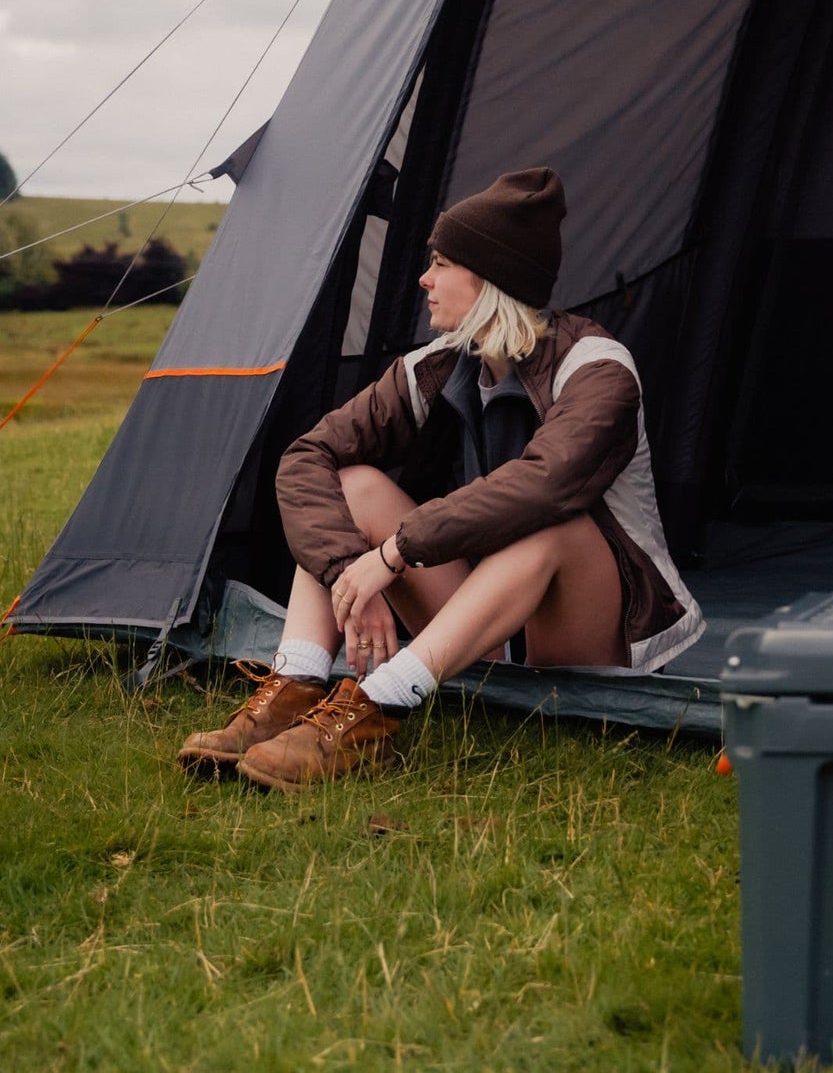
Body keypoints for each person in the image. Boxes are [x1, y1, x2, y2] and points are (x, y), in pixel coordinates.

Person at [177, 166, 704, 790]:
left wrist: (393, 554)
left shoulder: (598, 368)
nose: (425, 278)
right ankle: (295, 685)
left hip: (589, 629)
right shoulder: (439, 363)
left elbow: (544, 485)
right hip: (485, 618)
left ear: (493, 278)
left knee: (552, 525)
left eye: (443, 263)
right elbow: (307, 457)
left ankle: (378, 709)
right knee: (353, 485)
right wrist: (350, 569)